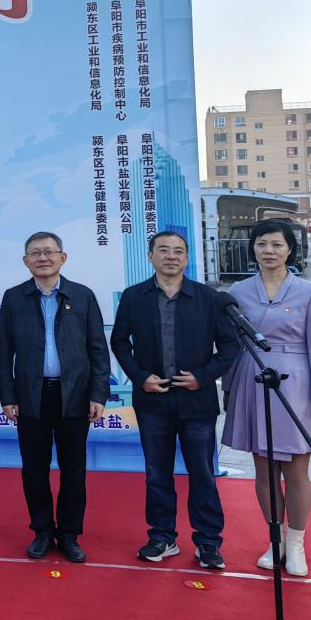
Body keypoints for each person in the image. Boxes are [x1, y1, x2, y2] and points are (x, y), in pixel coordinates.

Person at [110, 231, 238, 570]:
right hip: (153, 402)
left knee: (203, 473)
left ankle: (208, 541)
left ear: (187, 258)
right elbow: (120, 341)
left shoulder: (209, 298)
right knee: (157, 473)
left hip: (197, 402)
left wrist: (203, 376)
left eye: (178, 251)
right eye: (163, 250)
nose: (171, 256)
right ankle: (162, 537)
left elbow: (230, 346)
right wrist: (140, 377)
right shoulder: (134, 297)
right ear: (150, 256)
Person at [221, 219, 311, 576]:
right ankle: (275, 540)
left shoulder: (309, 292)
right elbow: (231, 343)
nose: (268, 251)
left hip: (296, 385)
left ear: (289, 250)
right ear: (253, 248)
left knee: (297, 467)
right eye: (262, 244)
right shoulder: (238, 291)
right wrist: (228, 388)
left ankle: (296, 541)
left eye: (277, 244)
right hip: (252, 378)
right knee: (265, 468)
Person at [0, 231, 110, 563]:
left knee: (74, 469)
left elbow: (98, 350)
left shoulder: (82, 296)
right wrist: (7, 396)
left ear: (63, 257)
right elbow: (4, 353)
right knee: (34, 469)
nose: (42, 258)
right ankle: (43, 531)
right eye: (35, 253)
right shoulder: (14, 298)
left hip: (74, 395)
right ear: (25, 261)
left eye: (49, 251)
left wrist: (98, 394)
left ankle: (70, 534)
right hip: (31, 397)